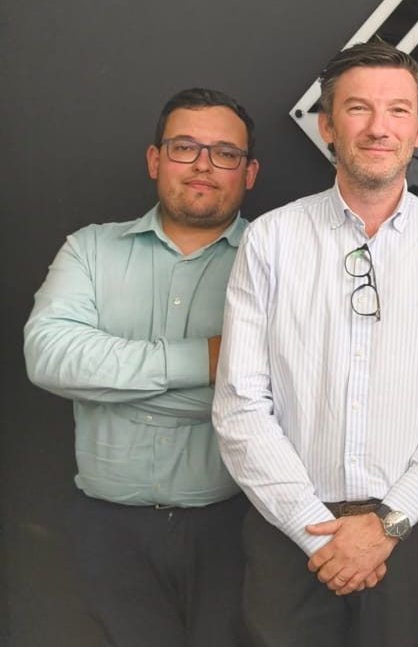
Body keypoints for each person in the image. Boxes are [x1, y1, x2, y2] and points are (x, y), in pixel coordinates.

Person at [212, 40, 418, 647]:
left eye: (398, 111)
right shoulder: (271, 239)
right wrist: (311, 527)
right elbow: (239, 403)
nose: (378, 128)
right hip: (288, 533)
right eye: (358, 108)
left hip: (411, 534)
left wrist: (387, 524)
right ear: (327, 126)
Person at [24, 88, 260, 646]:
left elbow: (283, 395)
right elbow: (50, 357)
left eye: (225, 153)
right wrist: (208, 358)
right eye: (185, 147)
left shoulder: (277, 258)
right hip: (109, 533)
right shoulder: (89, 250)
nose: (203, 165)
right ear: (156, 159)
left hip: (237, 529)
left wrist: (106, 387)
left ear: (249, 173)